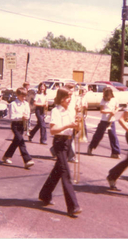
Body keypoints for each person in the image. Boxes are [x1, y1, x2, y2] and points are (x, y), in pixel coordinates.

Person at [38, 87, 82, 217]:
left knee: (57, 171)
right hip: (59, 142)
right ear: (61, 98)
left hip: (68, 142)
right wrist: (68, 125)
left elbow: (76, 129)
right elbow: (53, 130)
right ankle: (73, 206)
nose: (69, 100)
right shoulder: (56, 111)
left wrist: (78, 123)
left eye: (70, 97)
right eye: (67, 97)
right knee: (65, 173)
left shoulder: (71, 110)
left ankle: (44, 194)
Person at [2, 87, 34, 169]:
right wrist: (21, 117)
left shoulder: (26, 104)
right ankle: (27, 160)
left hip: (22, 125)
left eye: (25, 96)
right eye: (22, 96)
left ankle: (6, 156)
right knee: (21, 141)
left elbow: (28, 113)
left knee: (16, 142)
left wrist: (27, 117)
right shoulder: (13, 104)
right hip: (15, 125)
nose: (23, 98)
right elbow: (12, 117)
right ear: (18, 95)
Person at [87, 86, 121, 158]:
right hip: (104, 121)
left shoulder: (115, 100)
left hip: (112, 121)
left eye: (108, 95)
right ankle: (91, 147)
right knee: (98, 135)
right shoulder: (103, 100)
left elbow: (117, 107)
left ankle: (115, 152)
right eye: (105, 95)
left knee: (113, 136)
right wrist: (109, 111)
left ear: (111, 94)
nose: (107, 97)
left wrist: (115, 111)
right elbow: (102, 110)